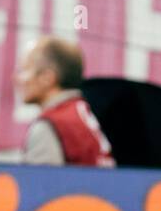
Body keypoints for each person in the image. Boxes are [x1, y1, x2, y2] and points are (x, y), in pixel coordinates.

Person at [14, 37, 113, 167]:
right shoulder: (81, 111)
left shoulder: (49, 125)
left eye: (24, 70)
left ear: (47, 78)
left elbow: (39, 184)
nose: (17, 78)